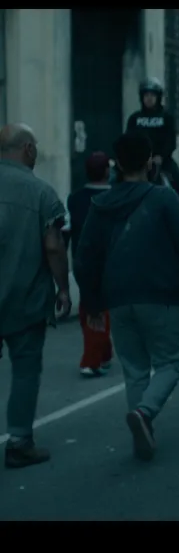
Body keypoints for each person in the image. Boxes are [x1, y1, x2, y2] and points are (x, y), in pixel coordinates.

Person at [74, 132, 179, 462]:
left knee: (135, 368)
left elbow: (85, 258)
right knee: (171, 363)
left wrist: (93, 302)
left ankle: (144, 428)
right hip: (160, 295)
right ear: (150, 161)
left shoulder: (101, 205)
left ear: (118, 164)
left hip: (118, 300)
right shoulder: (163, 199)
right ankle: (145, 412)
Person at [0, 123, 71, 468]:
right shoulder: (41, 193)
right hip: (23, 301)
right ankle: (18, 441)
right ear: (27, 148)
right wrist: (64, 288)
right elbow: (54, 247)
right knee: (25, 370)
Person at [66, 152, 114, 378]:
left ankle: (104, 353)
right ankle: (91, 360)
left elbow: (66, 231)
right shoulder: (116, 197)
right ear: (106, 171)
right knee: (98, 311)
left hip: (81, 262)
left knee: (90, 305)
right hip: (106, 263)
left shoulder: (74, 199)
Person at [125, 77, 179, 211]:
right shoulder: (134, 118)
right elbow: (128, 139)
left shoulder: (166, 118)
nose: (149, 98)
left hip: (162, 161)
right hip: (138, 162)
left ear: (158, 97)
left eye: (152, 95)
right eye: (146, 95)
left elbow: (171, 141)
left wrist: (161, 156)